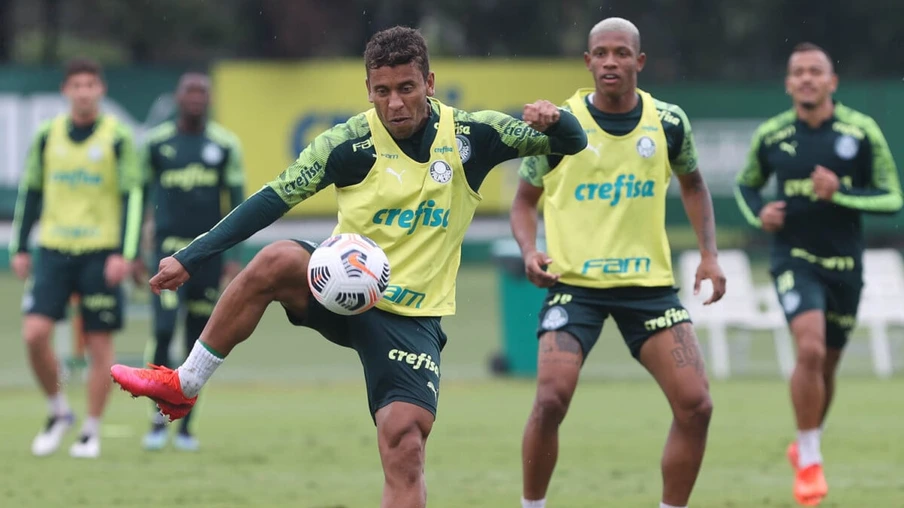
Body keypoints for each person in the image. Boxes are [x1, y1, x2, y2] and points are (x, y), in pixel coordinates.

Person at [110, 26, 586, 507]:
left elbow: (572, 141)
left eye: (406, 88)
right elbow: (272, 199)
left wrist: (556, 119)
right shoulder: (348, 142)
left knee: (406, 446)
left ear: (430, 82)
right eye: (382, 91)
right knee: (275, 259)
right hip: (337, 292)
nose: (395, 103)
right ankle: (183, 384)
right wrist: (191, 257)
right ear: (368, 90)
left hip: (411, 319)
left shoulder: (474, 135)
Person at [514, 18, 726, 508]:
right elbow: (524, 202)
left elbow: (693, 186)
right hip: (575, 284)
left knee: (697, 406)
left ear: (640, 61)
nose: (611, 62)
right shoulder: (560, 125)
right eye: (601, 53)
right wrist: (530, 251)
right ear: (587, 62)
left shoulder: (669, 122)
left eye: (622, 53)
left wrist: (710, 256)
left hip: (648, 286)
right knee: (550, 399)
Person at [735, 42, 902, 506]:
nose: (807, 78)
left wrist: (842, 192)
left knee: (826, 366)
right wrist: (758, 214)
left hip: (845, 266)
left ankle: (805, 442)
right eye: (798, 72)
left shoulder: (860, 131)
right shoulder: (771, 136)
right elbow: (746, 186)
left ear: (832, 81)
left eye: (816, 71)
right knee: (807, 349)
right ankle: (810, 460)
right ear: (788, 83)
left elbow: (891, 197)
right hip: (794, 260)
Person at [10, 57, 143, 459]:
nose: (84, 91)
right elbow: (30, 191)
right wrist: (19, 245)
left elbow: (132, 196)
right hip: (52, 250)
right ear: (66, 91)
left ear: (101, 89)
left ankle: (91, 430)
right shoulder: (48, 136)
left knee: (99, 343)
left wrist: (126, 252)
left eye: (91, 84)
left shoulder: (118, 137)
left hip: (100, 254)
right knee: (34, 335)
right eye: (76, 85)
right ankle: (58, 411)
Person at [137, 72, 246, 452]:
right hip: (166, 257)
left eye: (203, 92)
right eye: (190, 92)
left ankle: (185, 425)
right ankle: (156, 416)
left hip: (207, 260)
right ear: (178, 98)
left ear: (210, 100)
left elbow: (238, 207)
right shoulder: (155, 144)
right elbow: (138, 197)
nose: (197, 98)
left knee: (200, 341)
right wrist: (136, 251)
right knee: (165, 330)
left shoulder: (225, 145)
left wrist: (233, 258)